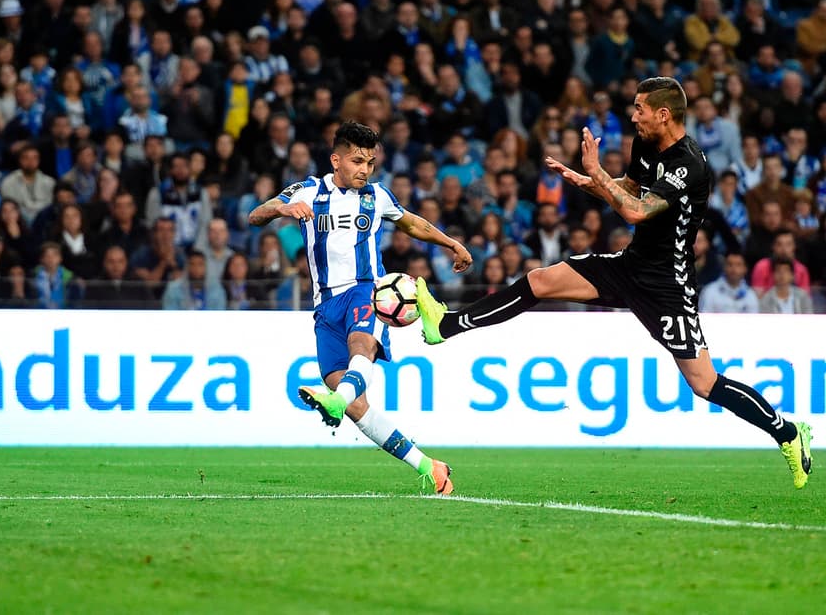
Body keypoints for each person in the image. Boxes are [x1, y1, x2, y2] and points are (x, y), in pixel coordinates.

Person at [415, 78, 813, 490]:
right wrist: (584, 180)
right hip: (631, 264)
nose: (633, 115)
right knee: (540, 281)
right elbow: (628, 190)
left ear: (664, 114)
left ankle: (786, 432)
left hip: (667, 284)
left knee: (704, 383)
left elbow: (637, 212)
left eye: (640, 108)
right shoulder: (645, 143)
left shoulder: (689, 165)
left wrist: (596, 172)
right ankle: (445, 326)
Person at [248, 121, 469, 494]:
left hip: (367, 291)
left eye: (370, 162)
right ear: (336, 160)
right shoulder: (309, 190)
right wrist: (285, 209)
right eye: (356, 161)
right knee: (353, 404)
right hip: (325, 306)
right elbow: (257, 214)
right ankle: (430, 466)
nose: (364, 170)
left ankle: (335, 401)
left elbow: (412, 224)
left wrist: (451, 244)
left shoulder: (377, 196)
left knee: (360, 348)